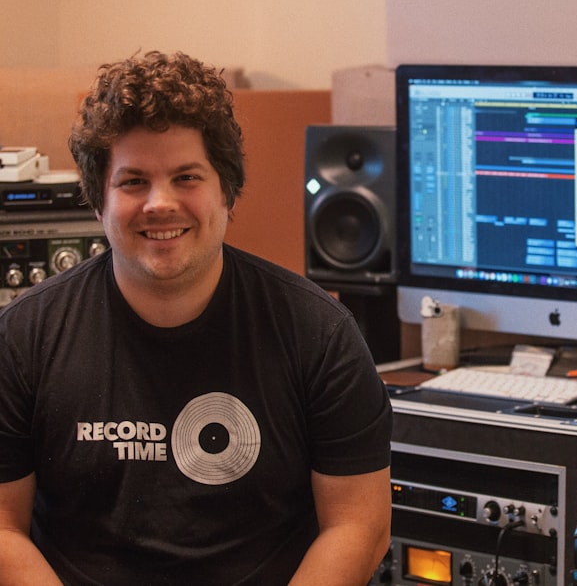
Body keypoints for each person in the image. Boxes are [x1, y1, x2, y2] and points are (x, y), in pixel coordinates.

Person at [0, 51, 393, 585]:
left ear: (226, 192)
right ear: (98, 202)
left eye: (186, 177)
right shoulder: (23, 339)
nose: (160, 204)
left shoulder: (319, 335)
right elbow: (3, 529)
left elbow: (358, 526)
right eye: (133, 181)